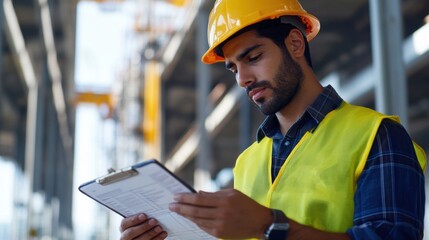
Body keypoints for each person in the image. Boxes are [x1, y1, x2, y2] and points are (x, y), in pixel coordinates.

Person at [120, 0, 427, 239]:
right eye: (233, 68)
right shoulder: (247, 162)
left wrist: (270, 225)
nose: (243, 79)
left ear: (295, 44)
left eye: (253, 58)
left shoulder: (376, 136)